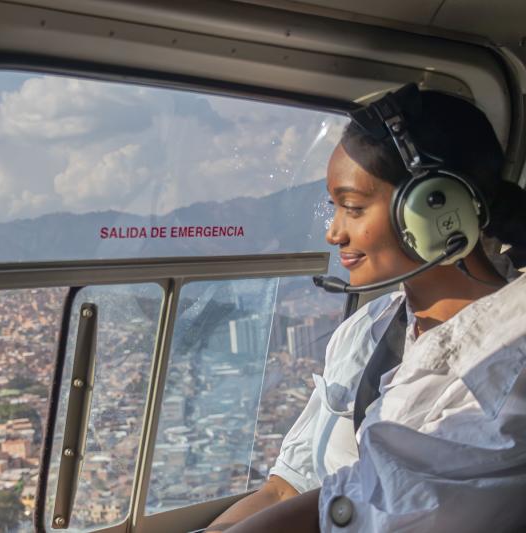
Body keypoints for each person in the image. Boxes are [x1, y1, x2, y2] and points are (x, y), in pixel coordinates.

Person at [206, 86, 526, 532]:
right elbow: (286, 487)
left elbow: (372, 513)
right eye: (333, 207)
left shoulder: (505, 371)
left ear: (439, 208)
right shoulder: (369, 329)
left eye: (353, 208)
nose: (333, 233)